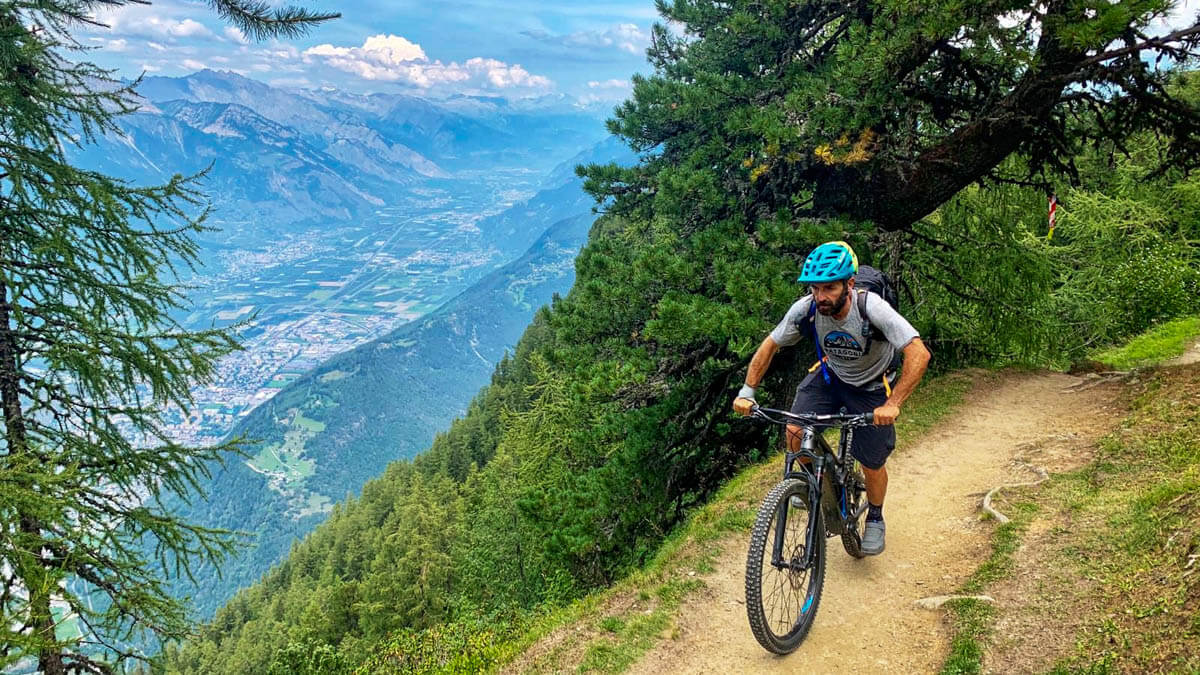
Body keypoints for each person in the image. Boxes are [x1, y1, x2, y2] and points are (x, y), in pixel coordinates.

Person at [732, 241, 930, 555]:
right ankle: (811, 486)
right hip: (830, 377)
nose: (821, 297)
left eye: (829, 288)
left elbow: (918, 353)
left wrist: (893, 404)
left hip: (871, 388)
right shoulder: (807, 308)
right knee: (795, 432)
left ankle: (875, 517)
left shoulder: (872, 308)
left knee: (872, 462)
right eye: (815, 289)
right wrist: (747, 391)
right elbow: (770, 345)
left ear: (849, 284)